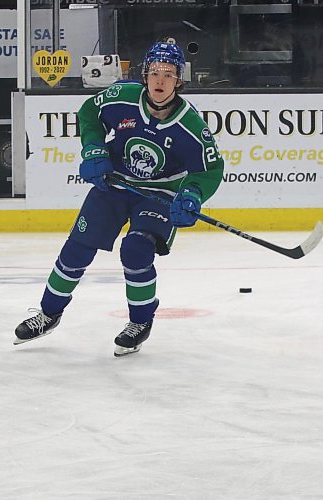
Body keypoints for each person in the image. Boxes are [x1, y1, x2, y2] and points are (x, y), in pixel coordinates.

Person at [15, 39, 224, 356]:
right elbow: (89, 112)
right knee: (77, 250)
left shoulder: (191, 125)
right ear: (145, 76)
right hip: (115, 184)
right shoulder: (122, 97)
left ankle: (140, 322)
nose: (160, 80)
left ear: (179, 80)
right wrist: (94, 149)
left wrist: (192, 194)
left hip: (161, 193)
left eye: (168, 74)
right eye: (155, 72)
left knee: (137, 250)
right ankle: (48, 313)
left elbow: (209, 169)